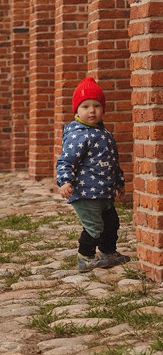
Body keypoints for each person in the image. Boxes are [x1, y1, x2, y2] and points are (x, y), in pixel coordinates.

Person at [55, 76, 130, 272]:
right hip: (86, 192)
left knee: (111, 223)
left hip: (104, 192)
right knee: (94, 226)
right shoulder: (78, 135)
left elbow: (113, 162)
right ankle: (85, 256)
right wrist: (64, 181)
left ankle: (108, 252)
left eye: (96, 105)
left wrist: (119, 183)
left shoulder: (104, 133)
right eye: (85, 106)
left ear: (103, 109)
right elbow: (66, 160)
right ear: (77, 110)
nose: (91, 110)